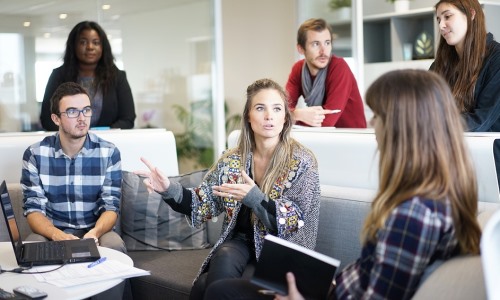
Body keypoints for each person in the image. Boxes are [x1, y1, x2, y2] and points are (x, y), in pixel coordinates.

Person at [205, 70, 482, 300]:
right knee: (218, 287)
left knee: (221, 293)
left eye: (378, 116)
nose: (372, 124)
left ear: (403, 127)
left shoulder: (413, 215)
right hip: (334, 288)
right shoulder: (435, 197)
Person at [135, 78, 321, 300]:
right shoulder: (232, 160)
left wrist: (253, 197)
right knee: (223, 255)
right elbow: (202, 203)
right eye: (260, 108)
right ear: (249, 117)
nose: (269, 116)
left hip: (282, 251)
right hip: (241, 242)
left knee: (206, 285)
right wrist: (167, 188)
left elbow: (294, 220)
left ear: (285, 117)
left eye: (277, 109)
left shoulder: (302, 161)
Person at [22, 82, 125, 254]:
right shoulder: (35, 154)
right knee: (31, 246)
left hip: (95, 231)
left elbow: (111, 207)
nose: (82, 118)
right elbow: (33, 209)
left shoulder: (109, 152)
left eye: (86, 110)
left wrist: (95, 233)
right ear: (56, 119)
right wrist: (57, 235)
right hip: (52, 232)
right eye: (72, 111)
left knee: (114, 246)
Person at [430, 0, 500, 188]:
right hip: (449, 163)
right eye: (438, 19)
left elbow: (481, 120)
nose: (441, 25)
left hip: (490, 167)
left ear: (471, 13)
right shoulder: (439, 65)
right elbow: (425, 109)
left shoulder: (497, 59)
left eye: (447, 16)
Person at [40, 21, 136, 131]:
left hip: (107, 143)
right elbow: (47, 120)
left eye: (96, 42)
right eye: (83, 42)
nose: (90, 47)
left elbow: (127, 119)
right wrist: (76, 134)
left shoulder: (118, 77)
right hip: (68, 144)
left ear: (103, 47)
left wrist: (99, 136)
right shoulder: (58, 76)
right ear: (73, 46)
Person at [285, 18, 366, 128]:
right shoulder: (298, 69)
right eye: (315, 44)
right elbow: (282, 111)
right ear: (301, 49)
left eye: (327, 43)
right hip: (321, 138)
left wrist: (294, 116)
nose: (323, 51)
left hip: (351, 138)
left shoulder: (339, 67)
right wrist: (297, 114)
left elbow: (327, 121)